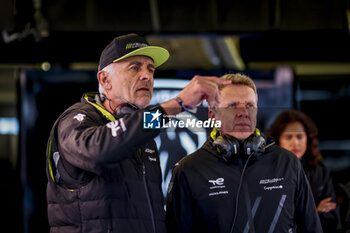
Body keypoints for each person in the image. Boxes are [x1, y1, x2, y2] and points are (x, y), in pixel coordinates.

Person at [45, 33, 231, 233]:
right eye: (135, 67)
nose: (147, 75)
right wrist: (177, 103)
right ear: (105, 79)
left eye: (151, 69)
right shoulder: (75, 121)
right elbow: (100, 150)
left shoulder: (142, 135)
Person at [166, 73, 323, 233]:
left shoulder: (286, 161)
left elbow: (311, 228)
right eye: (232, 105)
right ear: (213, 116)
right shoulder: (189, 170)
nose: (243, 112)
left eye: (249, 105)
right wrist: (177, 103)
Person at [267, 110, 339, 233]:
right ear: (278, 140)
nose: (295, 143)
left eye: (299, 136)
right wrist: (315, 214)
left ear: (308, 139)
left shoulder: (320, 172)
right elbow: (272, 221)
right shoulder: (268, 173)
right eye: (288, 137)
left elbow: (332, 219)